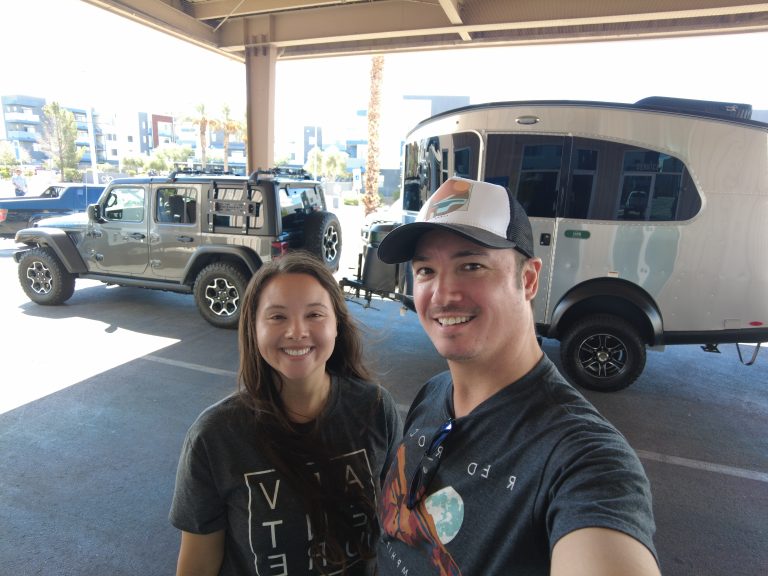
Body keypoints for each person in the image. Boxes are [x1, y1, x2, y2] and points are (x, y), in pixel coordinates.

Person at [375, 177, 660, 576]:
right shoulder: (434, 394)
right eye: (426, 270)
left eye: (471, 266)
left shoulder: (583, 459)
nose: (442, 294)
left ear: (528, 280)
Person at [170, 251, 402, 576]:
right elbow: (198, 566)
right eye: (277, 317)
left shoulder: (375, 408)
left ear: (337, 324)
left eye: (314, 314)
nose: (296, 331)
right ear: (253, 328)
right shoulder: (214, 437)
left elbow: (399, 523)